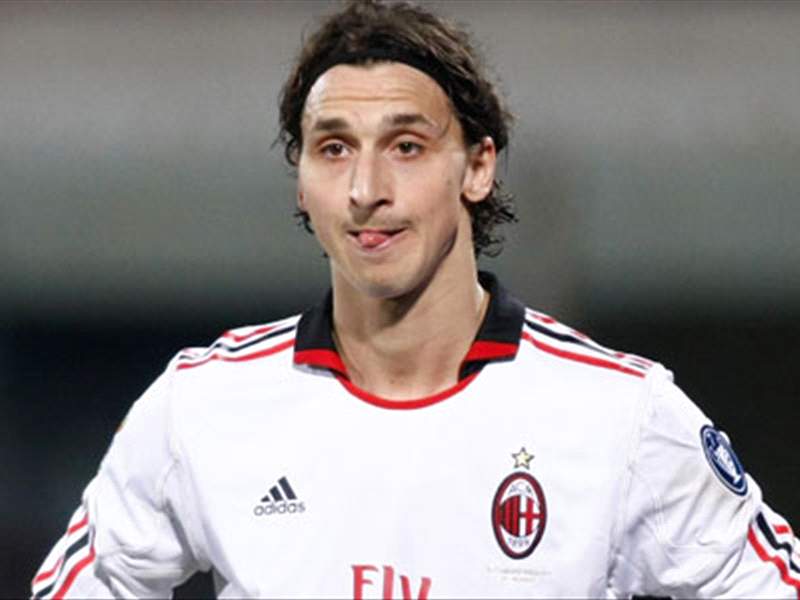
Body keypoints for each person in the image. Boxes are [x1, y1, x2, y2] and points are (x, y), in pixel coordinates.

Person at [32, 1, 799, 598]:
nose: (367, 189)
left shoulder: (620, 414)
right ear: (302, 181)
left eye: (406, 146)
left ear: (478, 166)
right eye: (335, 149)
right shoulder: (203, 405)